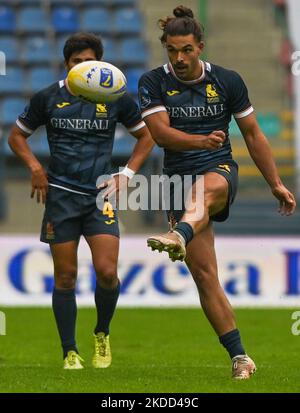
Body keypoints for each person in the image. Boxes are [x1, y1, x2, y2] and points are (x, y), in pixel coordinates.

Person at [138, 6, 296, 379]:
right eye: (172, 50)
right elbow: (159, 134)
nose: (179, 58)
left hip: (219, 171)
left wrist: (275, 182)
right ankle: (240, 357)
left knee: (203, 193)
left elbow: (255, 135)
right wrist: (199, 140)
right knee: (205, 275)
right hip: (175, 177)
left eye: (187, 50)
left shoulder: (228, 81)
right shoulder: (152, 82)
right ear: (165, 47)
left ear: (200, 47)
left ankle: (178, 233)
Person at [8, 32, 153, 370]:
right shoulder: (48, 98)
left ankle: (101, 333)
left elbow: (146, 137)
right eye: (77, 63)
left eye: (90, 62)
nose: (84, 68)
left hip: (101, 195)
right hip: (61, 196)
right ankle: (69, 351)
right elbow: (16, 136)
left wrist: (127, 175)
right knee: (66, 277)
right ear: (67, 66)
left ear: (99, 64)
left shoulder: (116, 98)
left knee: (106, 271)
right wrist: (34, 167)